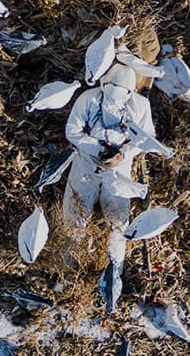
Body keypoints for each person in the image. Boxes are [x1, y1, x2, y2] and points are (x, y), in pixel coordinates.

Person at [62, 63, 161, 313]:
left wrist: (122, 154)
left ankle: (114, 272)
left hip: (118, 171)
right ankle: (70, 273)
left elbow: (146, 137)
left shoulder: (140, 106)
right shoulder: (88, 99)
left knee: (118, 224)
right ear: (103, 85)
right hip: (86, 165)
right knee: (74, 218)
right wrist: (97, 150)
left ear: (131, 92)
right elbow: (72, 130)